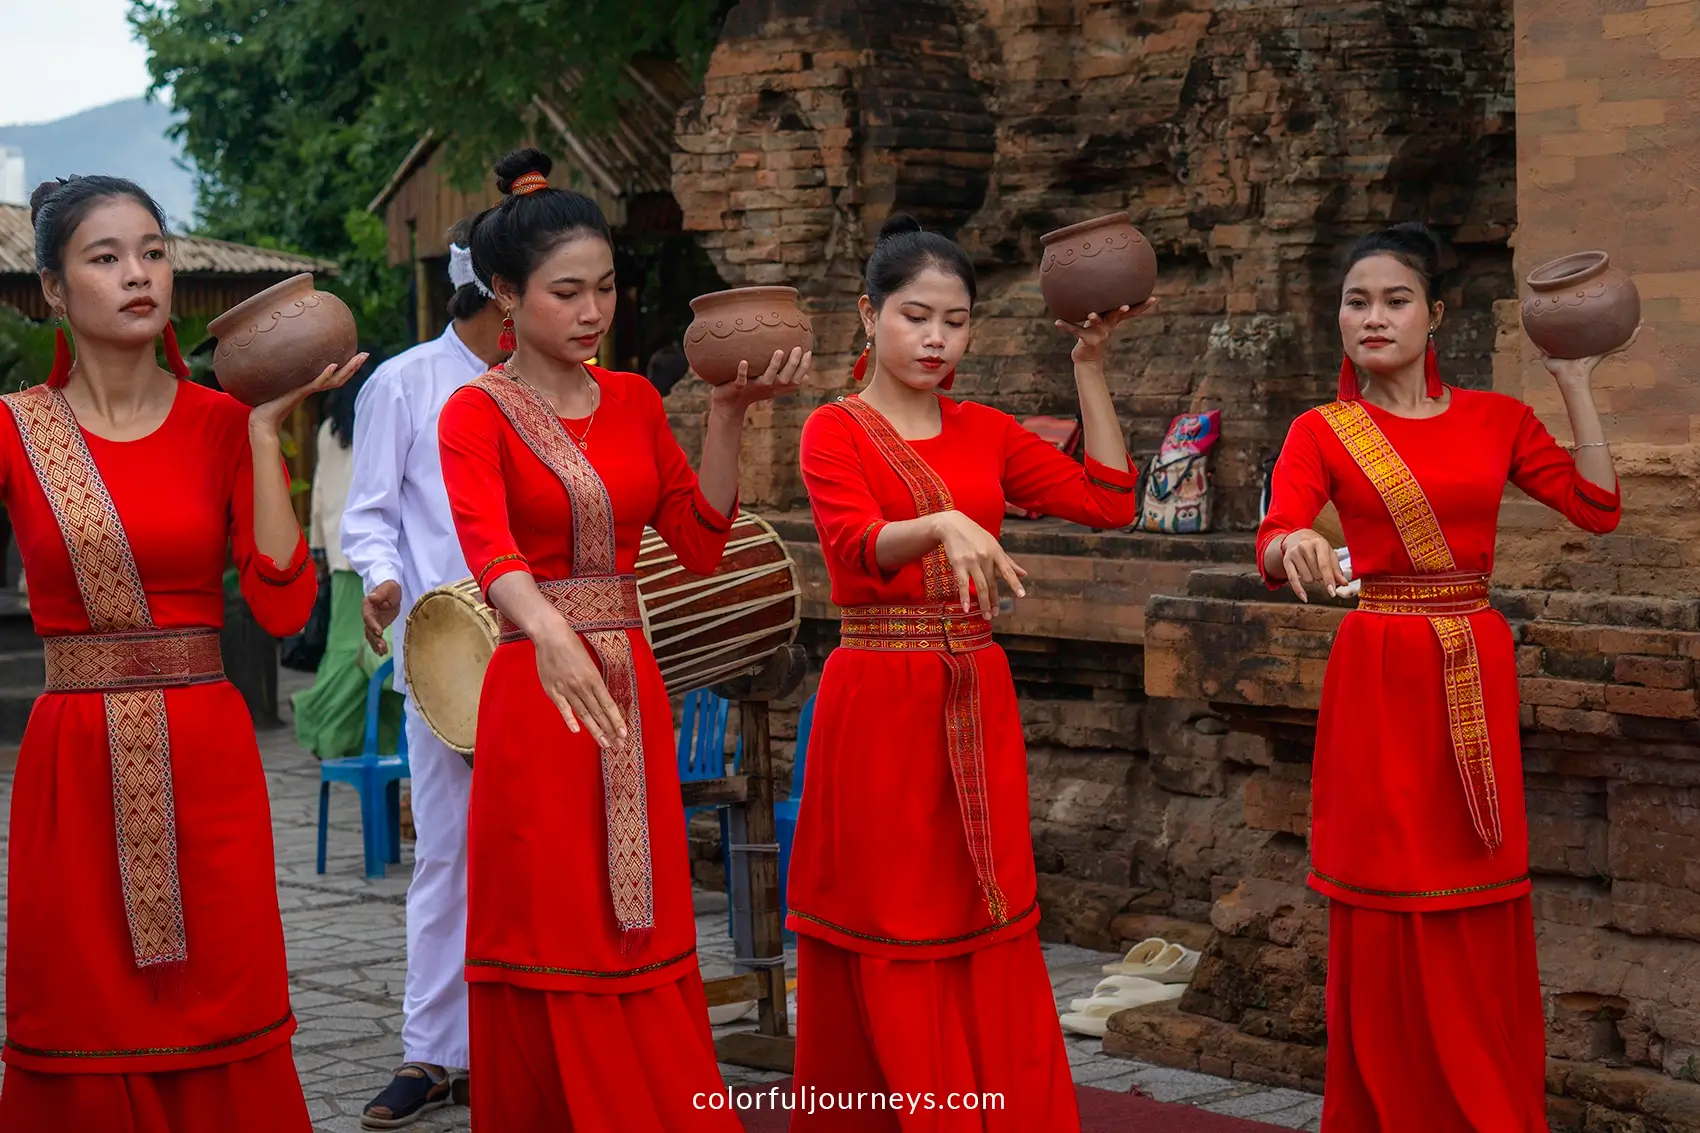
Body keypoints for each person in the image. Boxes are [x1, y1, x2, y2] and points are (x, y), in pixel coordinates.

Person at [436, 147, 806, 1131]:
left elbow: (696, 539)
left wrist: (724, 413)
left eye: (603, 287)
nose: (592, 310)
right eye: (565, 292)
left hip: (628, 675)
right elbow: (488, 545)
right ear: (506, 295)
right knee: (556, 914)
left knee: (636, 910)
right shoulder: (473, 411)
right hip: (537, 685)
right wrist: (547, 631)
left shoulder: (640, 401)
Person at [0, 176, 361, 1130]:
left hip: (207, 753)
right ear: (52, 288)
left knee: (225, 997)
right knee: (82, 1010)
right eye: (105, 257)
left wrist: (263, 431)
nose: (137, 275)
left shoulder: (221, 422)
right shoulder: (13, 434)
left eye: (152, 252)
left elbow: (284, 604)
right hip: (73, 765)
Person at [1256, 222, 1624, 1130]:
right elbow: (1274, 535)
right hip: (1380, 664)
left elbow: (1598, 508)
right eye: (1356, 301)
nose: (1373, 317)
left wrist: (1573, 385)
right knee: (1386, 889)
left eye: (1394, 300)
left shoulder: (1497, 419)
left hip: (1473, 657)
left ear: (1436, 315)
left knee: (1474, 884)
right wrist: (1296, 538)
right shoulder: (1324, 429)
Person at [788, 212, 1147, 1131]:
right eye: (915, 316)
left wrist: (1091, 369)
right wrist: (944, 524)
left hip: (972, 690)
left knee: (982, 908)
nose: (936, 338)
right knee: (894, 914)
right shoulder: (834, 430)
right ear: (868, 316)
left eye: (954, 320)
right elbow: (854, 547)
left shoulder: (984, 428)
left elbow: (1108, 502)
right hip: (877, 695)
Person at [339, 219, 508, 1127]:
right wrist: (385, 578)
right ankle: (433, 1051)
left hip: (555, 650)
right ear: (500, 290)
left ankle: (527, 1034)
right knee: (448, 854)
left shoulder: (568, 385)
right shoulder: (404, 383)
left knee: (544, 854)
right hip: (449, 661)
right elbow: (368, 516)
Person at [292, 352, 404, 759]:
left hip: (343, 557)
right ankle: (390, 737)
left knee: (348, 650)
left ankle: (335, 730)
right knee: (386, 654)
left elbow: (320, 495)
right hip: (385, 558)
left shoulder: (327, 432)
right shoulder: (385, 426)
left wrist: (318, 547)